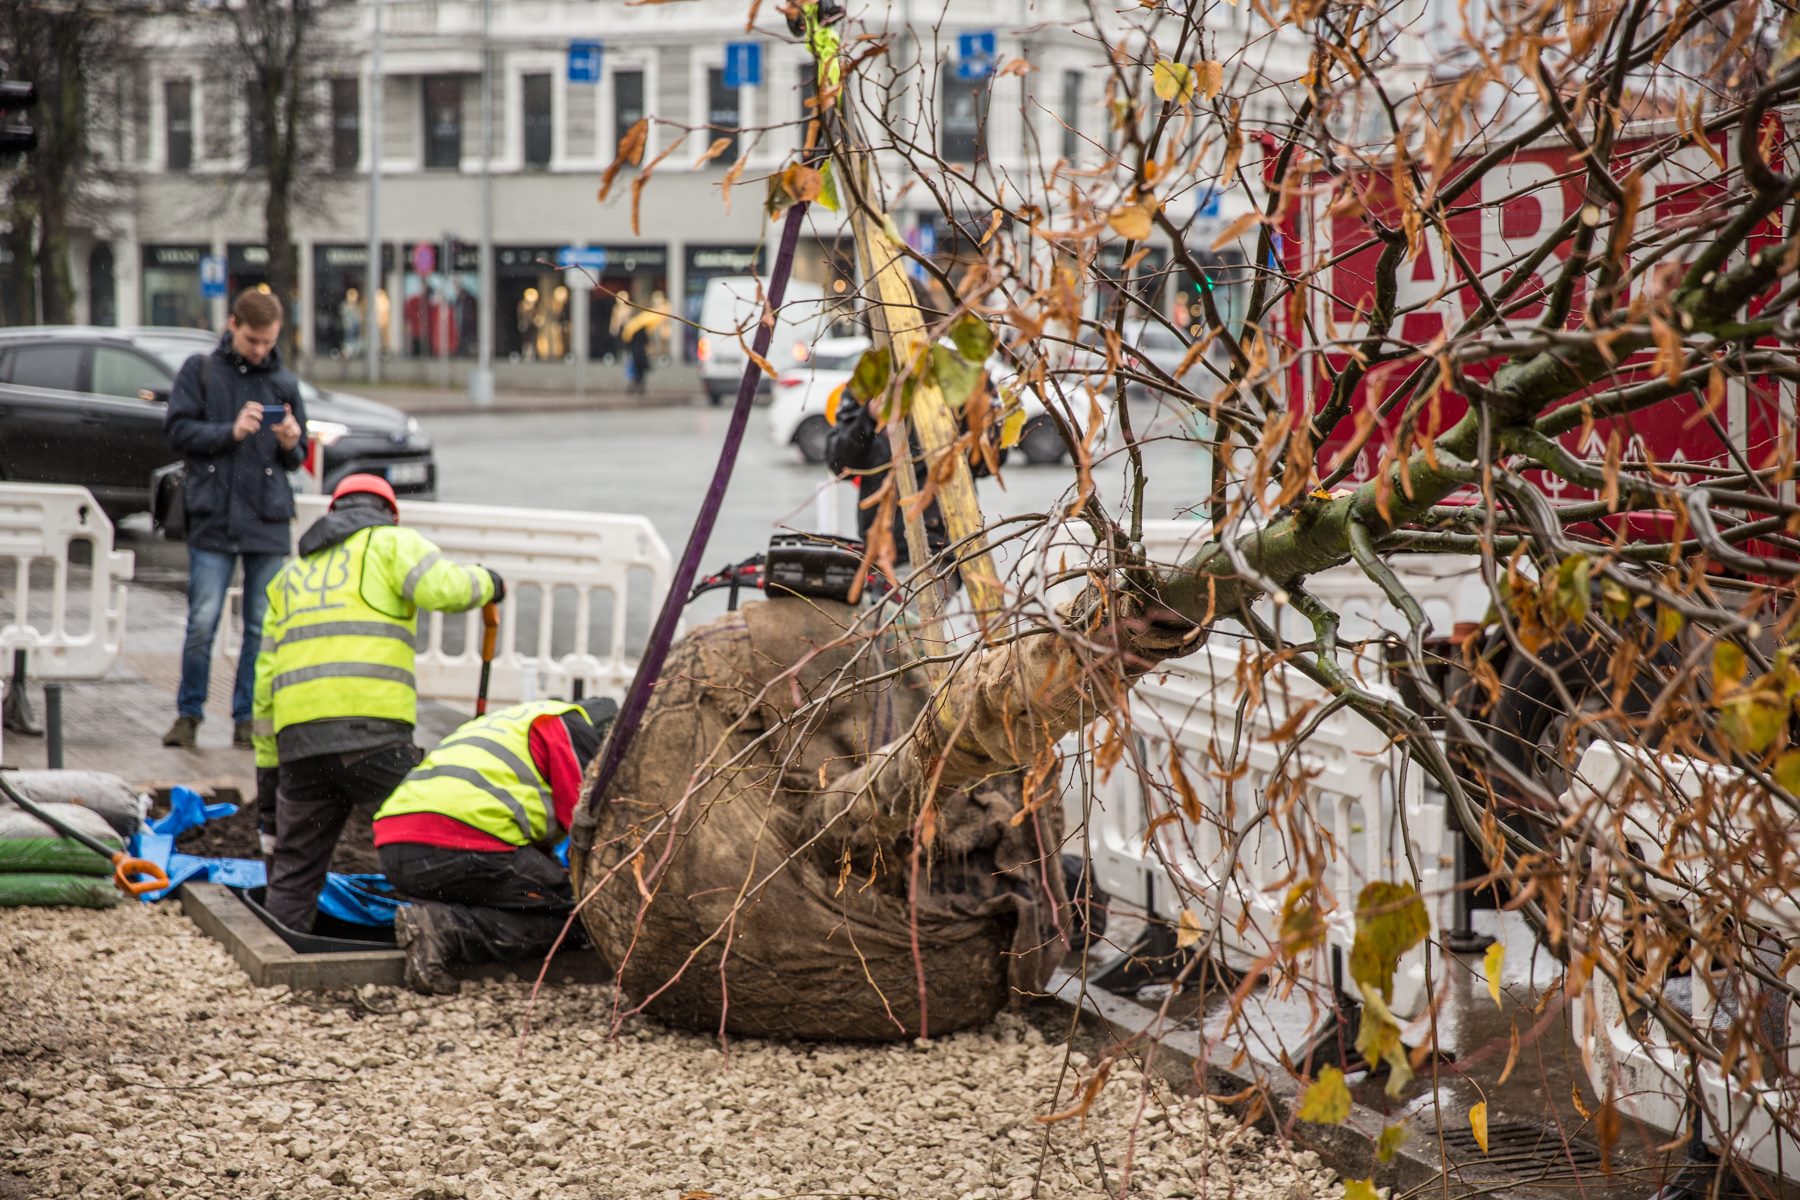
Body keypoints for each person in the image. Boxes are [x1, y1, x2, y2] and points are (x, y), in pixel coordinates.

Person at [252, 473, 503, 933]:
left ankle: (278, 954)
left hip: (300, 746)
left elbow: (264, 686)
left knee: (295, 870)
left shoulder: (289, 579)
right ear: (390, 514)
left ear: (333, 514)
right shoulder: (389, 543)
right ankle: (445, 936)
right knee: (428, 842)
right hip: (372, 738)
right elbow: (443, 588)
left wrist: (270, 774)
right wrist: (488, 582)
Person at [374, 696, 617, 995]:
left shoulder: (516, 722)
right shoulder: (570, 729)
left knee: (529, 893)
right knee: (582, 916)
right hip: (458, 842)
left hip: (396, 845)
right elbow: (588, 834)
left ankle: (440, 922)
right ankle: (443, 929)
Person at [162, 289, 308, 750]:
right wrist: (231, 432)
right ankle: (189, 715)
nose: (261, 350)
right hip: (214, 514)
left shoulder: (284, 382)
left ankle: (247, 718)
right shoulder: (201, 370)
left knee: (260, 627)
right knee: (202, 622)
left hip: (267, 517)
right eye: (252, 340)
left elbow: (298, 458)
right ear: (232, 325)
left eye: (268, 342)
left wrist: (291, 442)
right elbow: (177, 431)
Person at [825, 385, 1006, 574]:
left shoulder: (963, 379)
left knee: (915, 591)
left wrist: (972, 412)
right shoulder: (867, 382)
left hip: (940, 545)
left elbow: (989, 462)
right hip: (878, 547)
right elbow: (839, 462)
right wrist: (868, 416)